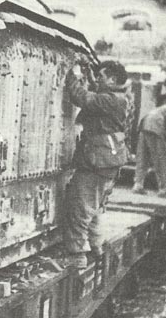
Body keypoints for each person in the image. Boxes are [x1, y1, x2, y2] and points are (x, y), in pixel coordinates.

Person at [63, 59, 132, 269]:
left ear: (112, 79)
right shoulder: (116, 98)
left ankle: (76, 255)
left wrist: (72, 75)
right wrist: (92, 79)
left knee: (81, 206)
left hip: (98, 163)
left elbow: (82, 97)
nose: (97, 79)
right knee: (93, 208)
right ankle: (96, 247)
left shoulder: (112, 100)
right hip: (105, 161)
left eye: (101, 76)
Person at [132, 92, 166, 198]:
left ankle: (138, 184)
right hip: (155, 127)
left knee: (143, 157)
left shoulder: (163, 107)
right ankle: (164, 188)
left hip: (144, 125)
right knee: (160, 158)